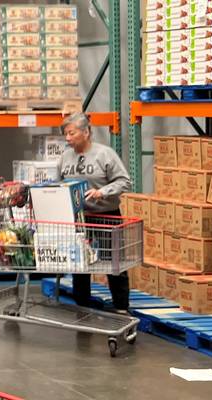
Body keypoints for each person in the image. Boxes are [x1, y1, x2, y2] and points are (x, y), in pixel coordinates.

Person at [57, 112, 133, 312]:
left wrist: (102, 192)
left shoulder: (104, 154)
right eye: (66, 134)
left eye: (71, 133)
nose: (67, 138)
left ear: (86, 132)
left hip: (106, 217)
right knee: (80, 266)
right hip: (80, 220)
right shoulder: (65, 157)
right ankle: (82, 308)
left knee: (113, 264)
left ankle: (121, 309)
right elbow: (57, 183)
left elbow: (124, 181)